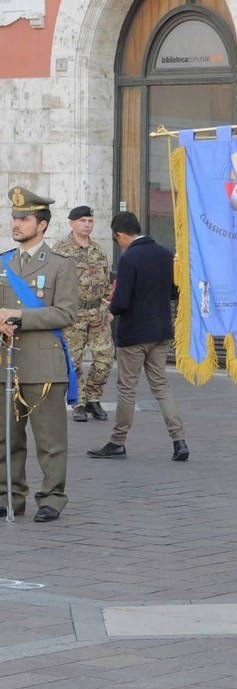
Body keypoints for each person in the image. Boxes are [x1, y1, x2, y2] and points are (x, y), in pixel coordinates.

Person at [0, 186, 78, 522]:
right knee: (7, 439)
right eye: (15, 217)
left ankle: (51, 498)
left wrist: (19, 316)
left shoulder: (61, 265)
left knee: (50, 440)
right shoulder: (4, 263)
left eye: (24, 218)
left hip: (44, 365)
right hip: (7, 363)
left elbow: (66, 314)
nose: (16, 223)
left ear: (42, 224)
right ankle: (9, 496)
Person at [87, 213, 188, 464]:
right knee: (161, 386)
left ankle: (118, 441)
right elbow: (175, 292)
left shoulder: (129, 257)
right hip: (161, 331)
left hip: (134, 335)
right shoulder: (165, 254)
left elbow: (121, 300)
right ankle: (179, 440)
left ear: (120, 234)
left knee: (127, 388)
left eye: (117, 239)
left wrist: (111, 310)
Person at [53, 205, 113, 422]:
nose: (87, 225)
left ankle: (93, 398)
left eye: (89, 221)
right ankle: (78, 402)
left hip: (98, 313)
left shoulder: (98, 250)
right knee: (73, 360)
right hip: (73, 314)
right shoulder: (60, 250)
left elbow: (105, 283)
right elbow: (53, 283)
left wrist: (108, 305)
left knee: (105, 359)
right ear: (71, 223)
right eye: (82, 221)